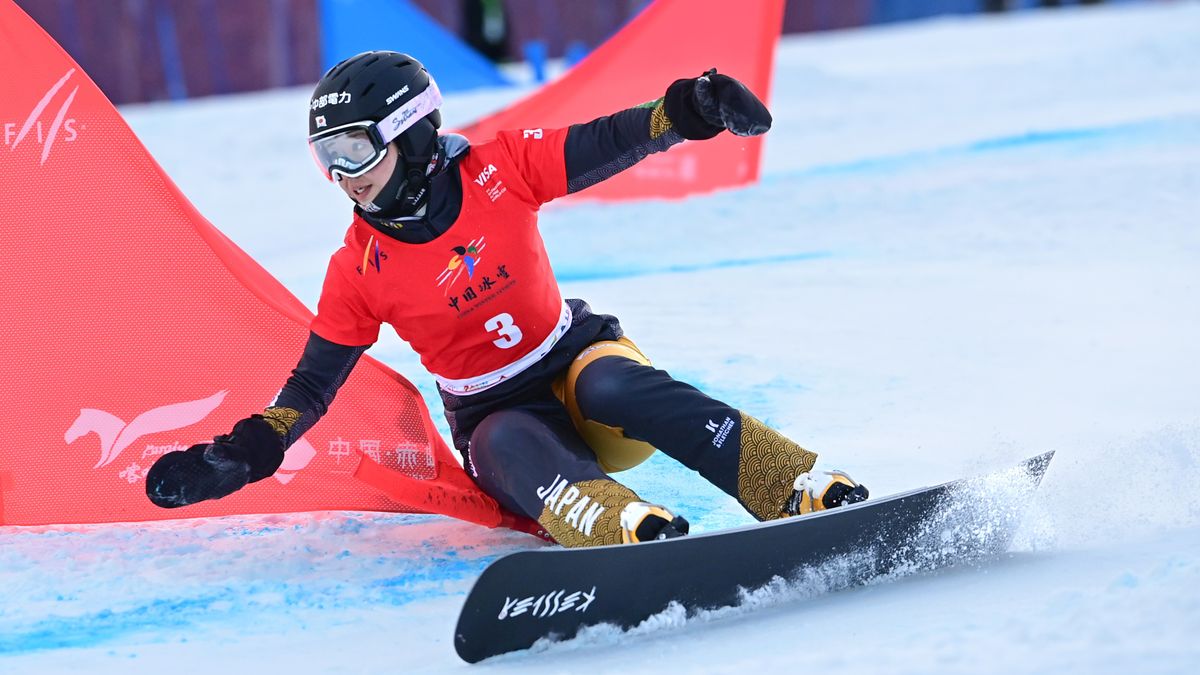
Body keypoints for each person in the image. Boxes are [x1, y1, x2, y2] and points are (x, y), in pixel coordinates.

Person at [146, 51, 868, 546]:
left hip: (579, 366)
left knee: (616, 379)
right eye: (326, 159)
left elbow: (607, 140)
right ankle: (631, 530)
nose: (344, 177)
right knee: (502, 441)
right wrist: (247, 449)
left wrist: (689, 108)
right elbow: (310, 382)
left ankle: (793, 482)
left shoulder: (501, 168)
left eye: (354, 151)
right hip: (495, 414)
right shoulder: (358, 267)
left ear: (410, 133)